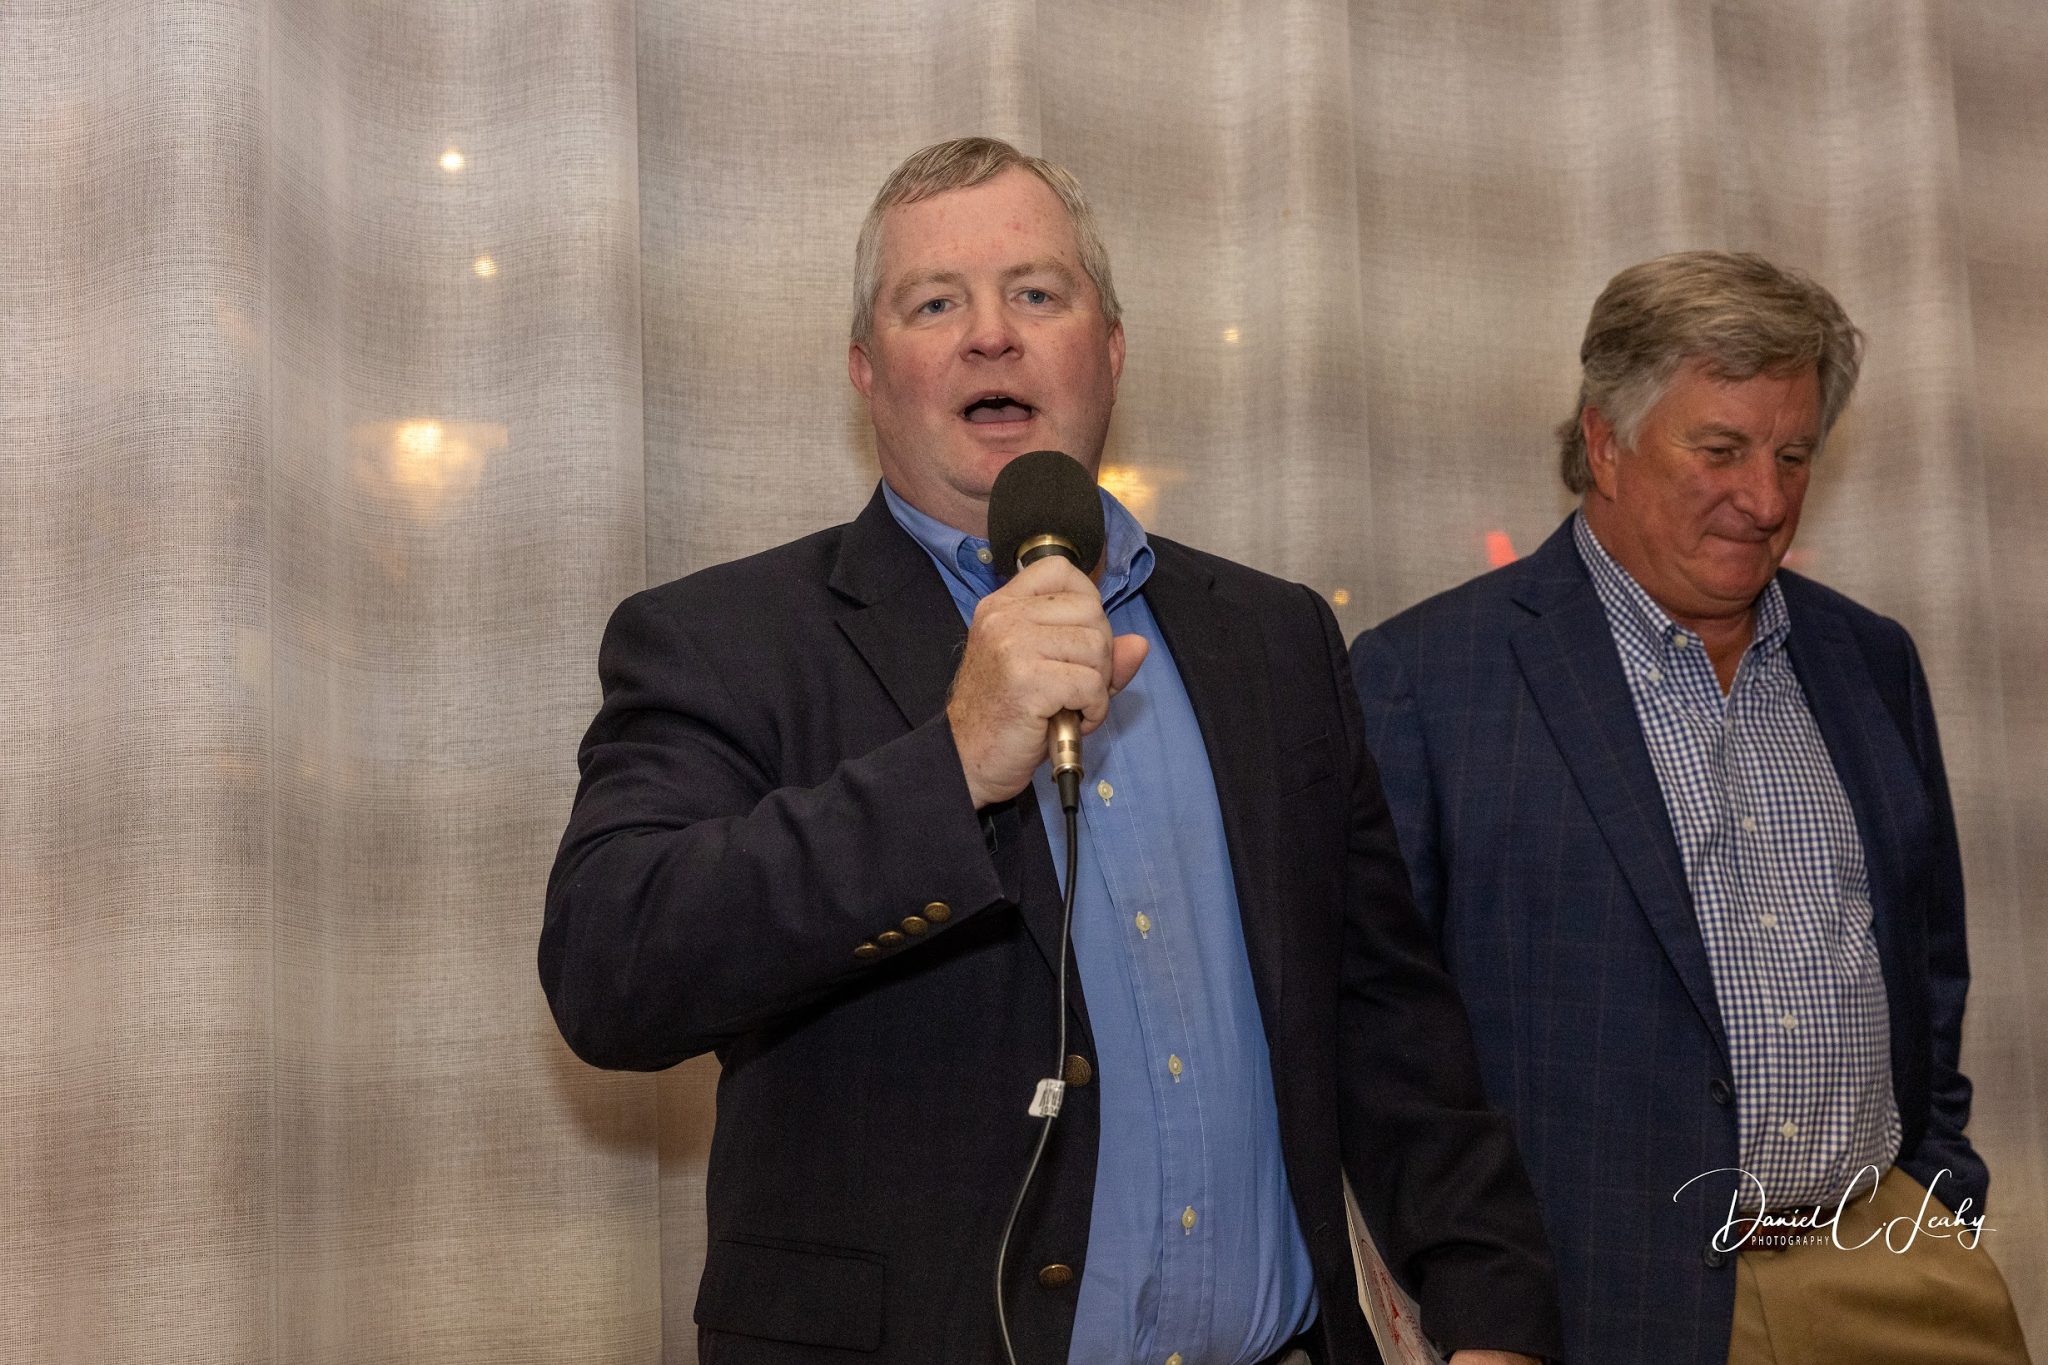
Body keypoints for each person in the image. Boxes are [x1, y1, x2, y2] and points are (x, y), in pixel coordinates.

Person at [542, 137, 1560, 1365]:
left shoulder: (1272, 636)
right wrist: (953, 764)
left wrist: (1489, 1313)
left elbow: (1385, 1017)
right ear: (866, 371)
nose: (990, 336)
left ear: (1110, 349)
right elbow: (610, 975)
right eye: (934, 304)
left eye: (1035, 293)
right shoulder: (724, 641)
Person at [1350, 251, 2030, 1365]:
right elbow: (1386, 1043)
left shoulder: (1869, 662)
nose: (1764, 500)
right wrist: (1475, 1307)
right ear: (1604, 442)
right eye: (1719, 450)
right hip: (1595, 1303)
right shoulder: (1427, 681)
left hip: (1890, 1268)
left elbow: (1926, 967)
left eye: (1792, 456)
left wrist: (1938, 1194)